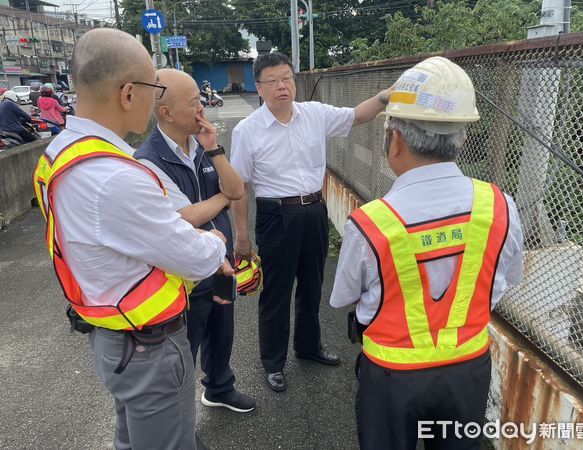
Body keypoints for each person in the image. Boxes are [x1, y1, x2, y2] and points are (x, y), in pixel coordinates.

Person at [32, 28, 231, 450]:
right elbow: (195, 259)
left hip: (112, 331)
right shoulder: (116, 177)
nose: (155, 98)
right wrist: (214, 238)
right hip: (149, 346)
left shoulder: (60, 154)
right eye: (153, 87)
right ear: (128, 93)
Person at [329, 57, 524, 450]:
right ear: (462, 138)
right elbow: (503, 282)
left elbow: (344, 297)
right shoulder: (499, 206)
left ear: (394, 139)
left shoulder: (372, 222)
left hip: (390, 376)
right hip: (468, 370)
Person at [230, 52, 396, 392]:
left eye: (287, 78)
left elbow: (357, 116)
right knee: (276, 292)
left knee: (311, 285)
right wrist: (242, 236)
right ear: (259, 87)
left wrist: (384, 97)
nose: (282, 86)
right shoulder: (247, 131)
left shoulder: (315, 114)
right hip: (276, 216)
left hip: (313, 211)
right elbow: (239, 188)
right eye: (272, 81)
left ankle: (308, 347)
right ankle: (273, 362)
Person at [134, 68, 256, 413]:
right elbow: (184, 217)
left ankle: (220, 387)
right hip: (185, 274)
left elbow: (237, 189)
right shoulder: (148, 160)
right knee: (186, 347)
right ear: (166, 112)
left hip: (221, 263)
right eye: (193, 103)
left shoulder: (203, 146)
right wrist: (221, 200)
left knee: (222, 330)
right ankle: (180, 419)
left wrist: (214, 149)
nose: (201, 108)